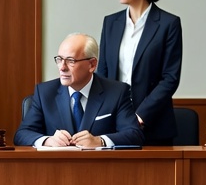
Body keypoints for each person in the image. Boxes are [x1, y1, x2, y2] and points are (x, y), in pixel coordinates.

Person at [96, 0, 183, 145]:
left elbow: (170, 78)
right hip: (113, 124)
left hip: (154, 126)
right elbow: (102, 73)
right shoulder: (110, 23)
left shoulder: (168, 24)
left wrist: (141, 116)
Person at [16, 33, 144, 148]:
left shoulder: (117, 92)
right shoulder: (44, 92)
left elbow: (134, 134)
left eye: (70, 61)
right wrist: (47, 140)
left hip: (101, 165)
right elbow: (22, 134)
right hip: (57, 166)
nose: (62, 67)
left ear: (92, 65)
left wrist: (100, 141)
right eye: (59, 59)